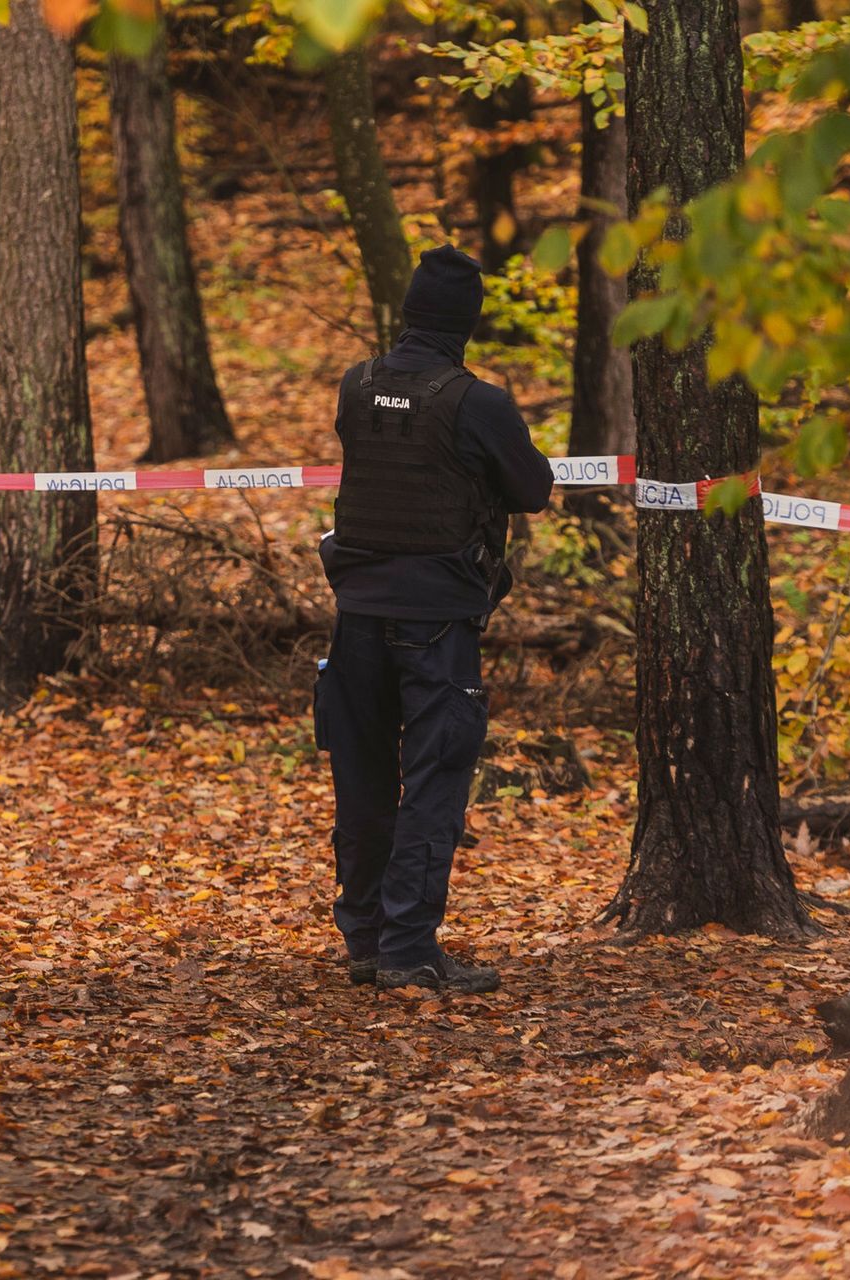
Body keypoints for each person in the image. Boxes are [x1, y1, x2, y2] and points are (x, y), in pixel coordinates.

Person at [315, 245, 555, 994]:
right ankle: (408, 949)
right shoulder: (477, 403)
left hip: (356, 617)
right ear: (467, 324)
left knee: (362, 783)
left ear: (409, 313)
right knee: (433, 785)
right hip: (437, 624)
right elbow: (534, 489)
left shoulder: (358, 385)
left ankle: (366, 941)